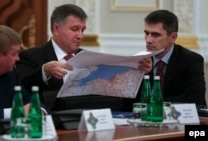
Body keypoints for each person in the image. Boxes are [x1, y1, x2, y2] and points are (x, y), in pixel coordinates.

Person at [16, 4, 152, 111]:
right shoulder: (31, 57)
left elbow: (117, 99)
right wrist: (44, 71)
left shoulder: (89, 58)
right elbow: (21, 87)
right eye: (75, 29)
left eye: (83, 30)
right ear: (56, 29)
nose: (80, 36)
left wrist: (138, 73)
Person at [143, 9, 206, 107]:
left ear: (173, 37)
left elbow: (195, 99)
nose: (148, 40)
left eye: (155, 35)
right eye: (147, 33)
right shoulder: (141, 61)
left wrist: (155, 104)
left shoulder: (191, 61)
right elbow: (130, 102)